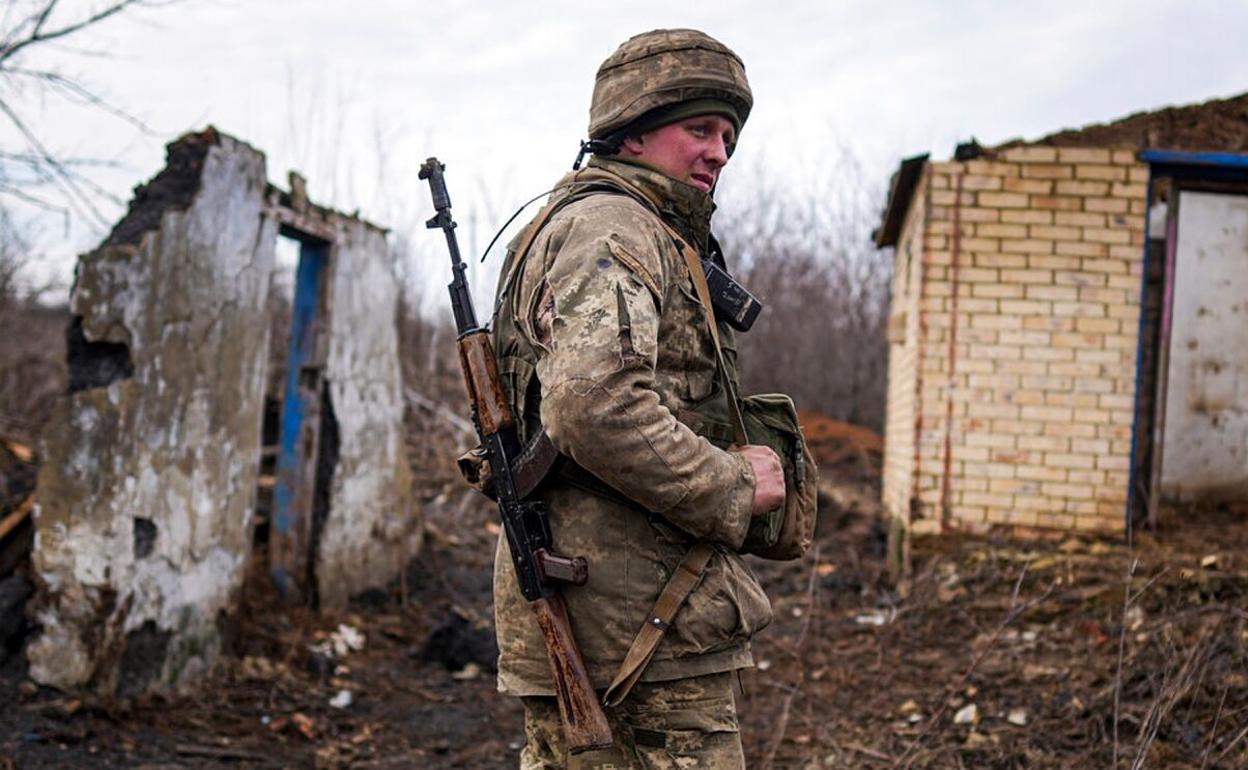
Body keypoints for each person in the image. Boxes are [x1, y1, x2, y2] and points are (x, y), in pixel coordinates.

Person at [489, 28, 785, 769]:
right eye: (699, 129)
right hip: (637, 626)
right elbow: (594, 405)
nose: (719, 151)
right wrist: (735, 484)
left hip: (616, 610)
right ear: (632, 132)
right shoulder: (611, 226)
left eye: (727, 134)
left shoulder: (614, 226)